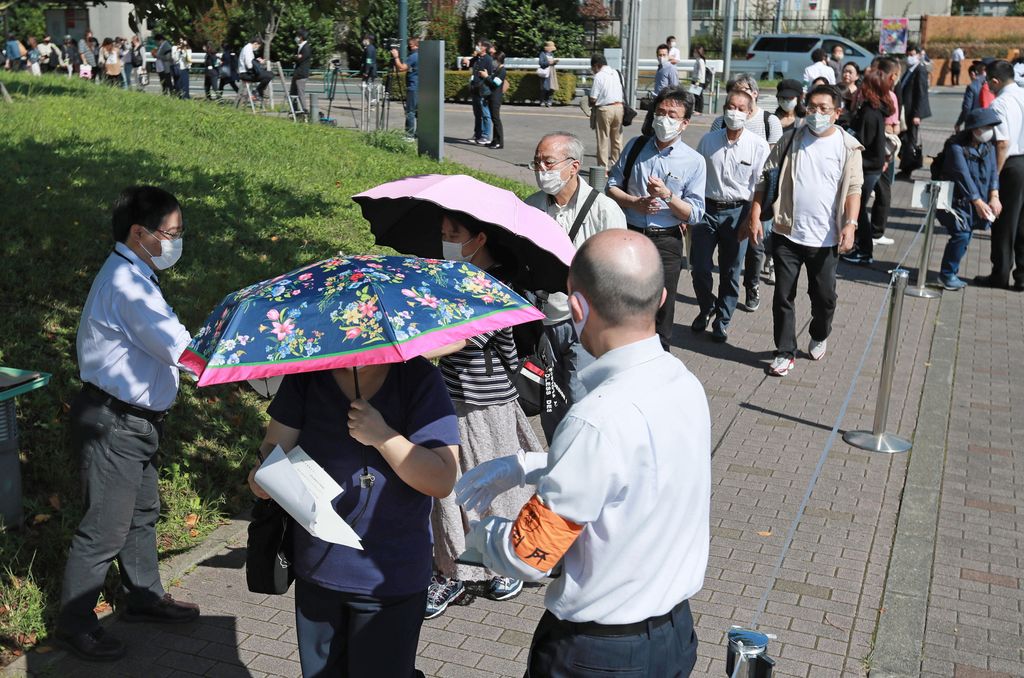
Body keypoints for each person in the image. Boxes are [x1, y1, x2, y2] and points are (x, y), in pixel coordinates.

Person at [456, 229, 711, 677]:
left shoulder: (596, 418)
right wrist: (527, 466)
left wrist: (483, 539)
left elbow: (531, 553)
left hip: (599, 654)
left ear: (577, 308)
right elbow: (636, 475)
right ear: (663, 297)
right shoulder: (684, 382)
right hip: (674, 636)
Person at [57, 186, 199, 661]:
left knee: (142, 513)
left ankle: (143, 597)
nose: (176, 242)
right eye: (171, 233)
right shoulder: (128, 286)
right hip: (115, 423)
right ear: (139, 233)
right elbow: (179, 349)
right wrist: (231, 365)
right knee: (104, 529)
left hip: (135, 422)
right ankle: (74, 626)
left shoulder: (136, 273)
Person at [248, 362, 459, 676]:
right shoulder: (307, 375)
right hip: (318, 571)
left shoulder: (419, 379)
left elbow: (442, 479)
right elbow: (273, 446)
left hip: (390, 578)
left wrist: (383, 436)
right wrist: (262, 475)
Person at [424, 214, 543, 620]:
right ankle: (450, 570)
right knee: (447, 484)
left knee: (496, 483)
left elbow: (460, 339)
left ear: (478, 238)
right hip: (448, 396)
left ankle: (506, 559)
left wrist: (421, 350)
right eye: (442, 235)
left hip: (487, 402)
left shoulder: (497, 286)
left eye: (453, 235)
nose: (446, 242)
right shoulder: (452, 278)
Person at [746, 85, 863, 377]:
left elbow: (854, 189)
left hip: (826, 238)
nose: (817, 113)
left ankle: (820, 332)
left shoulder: (848, 147)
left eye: (824, 108)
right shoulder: (790, 140)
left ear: (838, 112)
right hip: (788, 232)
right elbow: (765, 177)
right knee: (783, 295)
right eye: (812, 107)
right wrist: (756, 213)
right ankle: (784, 352)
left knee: (824, 297)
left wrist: (851, 224)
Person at [524, 132, 626, 440]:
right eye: (537, 162)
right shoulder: (531, 208)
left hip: (585, 323)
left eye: (549, 162)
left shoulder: (604, 211)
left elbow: (618, 272)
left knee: (580, 400)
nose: (542, 169)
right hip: (542, 322)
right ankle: (559, 461)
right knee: (549, 400)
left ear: (574, 166)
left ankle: (585, 462)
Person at [607, 86, 706, 351]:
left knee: (663, 305)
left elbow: (695, 213)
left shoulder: (694, 161)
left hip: (667, 242)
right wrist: (634, 203)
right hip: (632, 233)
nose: (663, 119)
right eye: (660, 112)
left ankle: (660, 356)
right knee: (625, 298)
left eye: (672, 115)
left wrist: (668, 196)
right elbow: (612, 185)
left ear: (684, 123)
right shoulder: (636, 146)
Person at [692, 90, 770, 343]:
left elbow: (760, 184)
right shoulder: (708, 140)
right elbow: (695, 174)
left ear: (749, 113)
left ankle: (723, 320)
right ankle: (707, 307)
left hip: (739, 212)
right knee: (700, 266)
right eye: (730, 107)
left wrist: (754, 216)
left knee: (731, 269)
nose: (734, 113)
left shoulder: (757, 145)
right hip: (707, 209)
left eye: (740, 108)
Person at [709, 74, 782, 313]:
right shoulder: (720, 123)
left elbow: (772, 166)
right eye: (734, 94)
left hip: (758, 196)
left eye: (745, 93)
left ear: (754, 95)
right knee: (733, 256)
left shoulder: (769, 121)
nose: (738, 103)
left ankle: (752, 286)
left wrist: (758, 208)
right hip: (727, 198)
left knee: (756, 246)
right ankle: (723, 298)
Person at [937, 108, 1001, 290]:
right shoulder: (956, 147)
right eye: (986, 126)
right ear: (975, 129)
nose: (990, 130)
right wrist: (978, 201)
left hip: (975, 201)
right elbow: (962, 176)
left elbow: (993, 171)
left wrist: (994, 195)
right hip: (956, 201)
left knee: (966, 234)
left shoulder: (988, 145)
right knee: (961, 234)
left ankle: (951, 272)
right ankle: (947, 274)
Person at [975, 60, 1024, 290]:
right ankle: (1022, 275)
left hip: (1012, 165)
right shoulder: (1023, 95)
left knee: (1004, 222)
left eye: (987, 81)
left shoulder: (1000, 103)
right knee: (1023, 222)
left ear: (995, 81)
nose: (987, 85)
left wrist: (994, 176)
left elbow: (1002, 143)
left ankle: (1000, 273)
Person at [841, 69, 893, 267]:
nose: (861, 86)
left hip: (867, 167)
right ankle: (861, 247)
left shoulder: (871, 113)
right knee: (859, 207)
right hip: (871, 165)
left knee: (858, 209)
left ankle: (864, 251)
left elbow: (861, 141)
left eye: (865, 84)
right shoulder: (872, 108)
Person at [896, 43, 932, 179]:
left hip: (912, 113)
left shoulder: (920, 69)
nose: (909, 57)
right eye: (908, 55)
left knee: (910, 140)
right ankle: (905, 166)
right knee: (905, 139)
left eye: (912, 55)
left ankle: (907, 170)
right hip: (906, 111)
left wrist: (917, 114)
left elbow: (921, 93)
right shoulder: (910, 69)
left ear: (918, 54)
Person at [588, 53, 625, 169]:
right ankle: (617, 166)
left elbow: (593, 97)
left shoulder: (599, 76)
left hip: (604, 109)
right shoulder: (618, 74)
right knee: (617, 140)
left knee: (603, 139)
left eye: (593, 68)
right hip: (619, 108)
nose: (593, 70)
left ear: (596, 65)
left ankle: (603, 169)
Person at [391, 37, 419, 136]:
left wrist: (396, 57)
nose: (408, 47)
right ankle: (418, 133)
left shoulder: (414, 56)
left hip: (413, 87)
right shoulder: (424, 55)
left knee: (410, 112)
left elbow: (402, 68)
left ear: (414, 45)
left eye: (409, 45)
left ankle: (409, 134)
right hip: (422, 87)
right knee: (419, 112)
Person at [955, 59, 992, 133]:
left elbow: (967, 108)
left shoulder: (973, 86)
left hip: (975, 123)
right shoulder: (995, 83)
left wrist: (959, 122)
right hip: (992, 121)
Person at [485, 51, 507, 149]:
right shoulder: (497, 70)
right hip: (491, 97)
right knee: (494, 119)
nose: (493, 61)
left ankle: (500, 142)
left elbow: (495, 84)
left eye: (494, 59)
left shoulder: (502, 71)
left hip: (496, 97)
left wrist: (486, 77)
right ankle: (494, 140)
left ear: (498, 60)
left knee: (496, 119)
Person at [290, 28, 311, 113]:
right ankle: (294, 110)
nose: (296, 38)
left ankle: (304, 110)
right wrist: (296, 57)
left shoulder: (306, 48)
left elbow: (300, 59)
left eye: (297, 36)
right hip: (297, 73)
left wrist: (296, 57)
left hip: (301, 74)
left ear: (301, 37)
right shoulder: (299, 47)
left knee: (300, 93)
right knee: (293, 93)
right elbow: (295, 57)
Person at [838, 61, 860, 128]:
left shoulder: (859, 93)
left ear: (857, 76)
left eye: (850, 72)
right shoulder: (836, 88)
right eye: (845, 72)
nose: (847, 74)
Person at [538, 40, 558, 107]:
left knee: (551, 88)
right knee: (544, 87)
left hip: (551, 72)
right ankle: (542, 101)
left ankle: (549, 101)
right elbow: (541, 63)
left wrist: (554, 63)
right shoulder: (542, 54)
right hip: (545, 72)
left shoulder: (552, 54)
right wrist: (549, 63)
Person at [691, 45, 708, 114]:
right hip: (695, 80)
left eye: (695, 52)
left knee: (699, 96)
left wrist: (698, 81)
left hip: (698, 81)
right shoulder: (697, 60)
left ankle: (699, 110)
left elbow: (701, 72)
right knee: (695, 95)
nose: (694, 53)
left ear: (699, 53)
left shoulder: (700, 61)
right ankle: (696, 109)